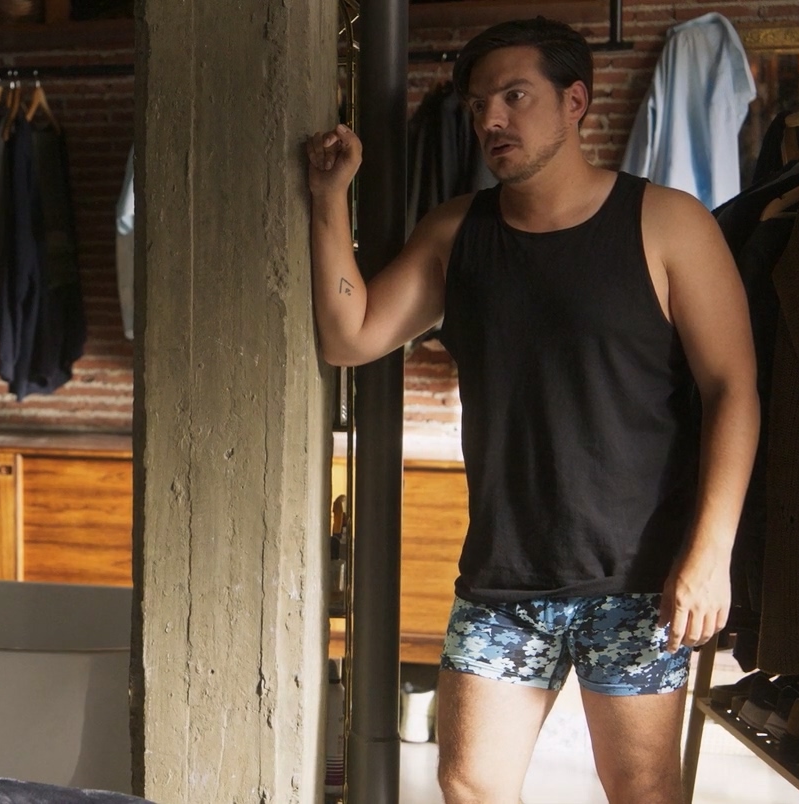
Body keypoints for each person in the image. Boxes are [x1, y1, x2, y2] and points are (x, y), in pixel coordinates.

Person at [306, 18, 758, 804]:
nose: (491, 119)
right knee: (469, 783)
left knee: (643, 790)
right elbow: (352, 336)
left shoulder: (668, 223)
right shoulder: (457, 233)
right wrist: (328, 196)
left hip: (638, 578)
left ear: (574, 101)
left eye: (515, 96)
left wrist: (710, 553)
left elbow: (733, 389)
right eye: (479, 104)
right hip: (504, 577)